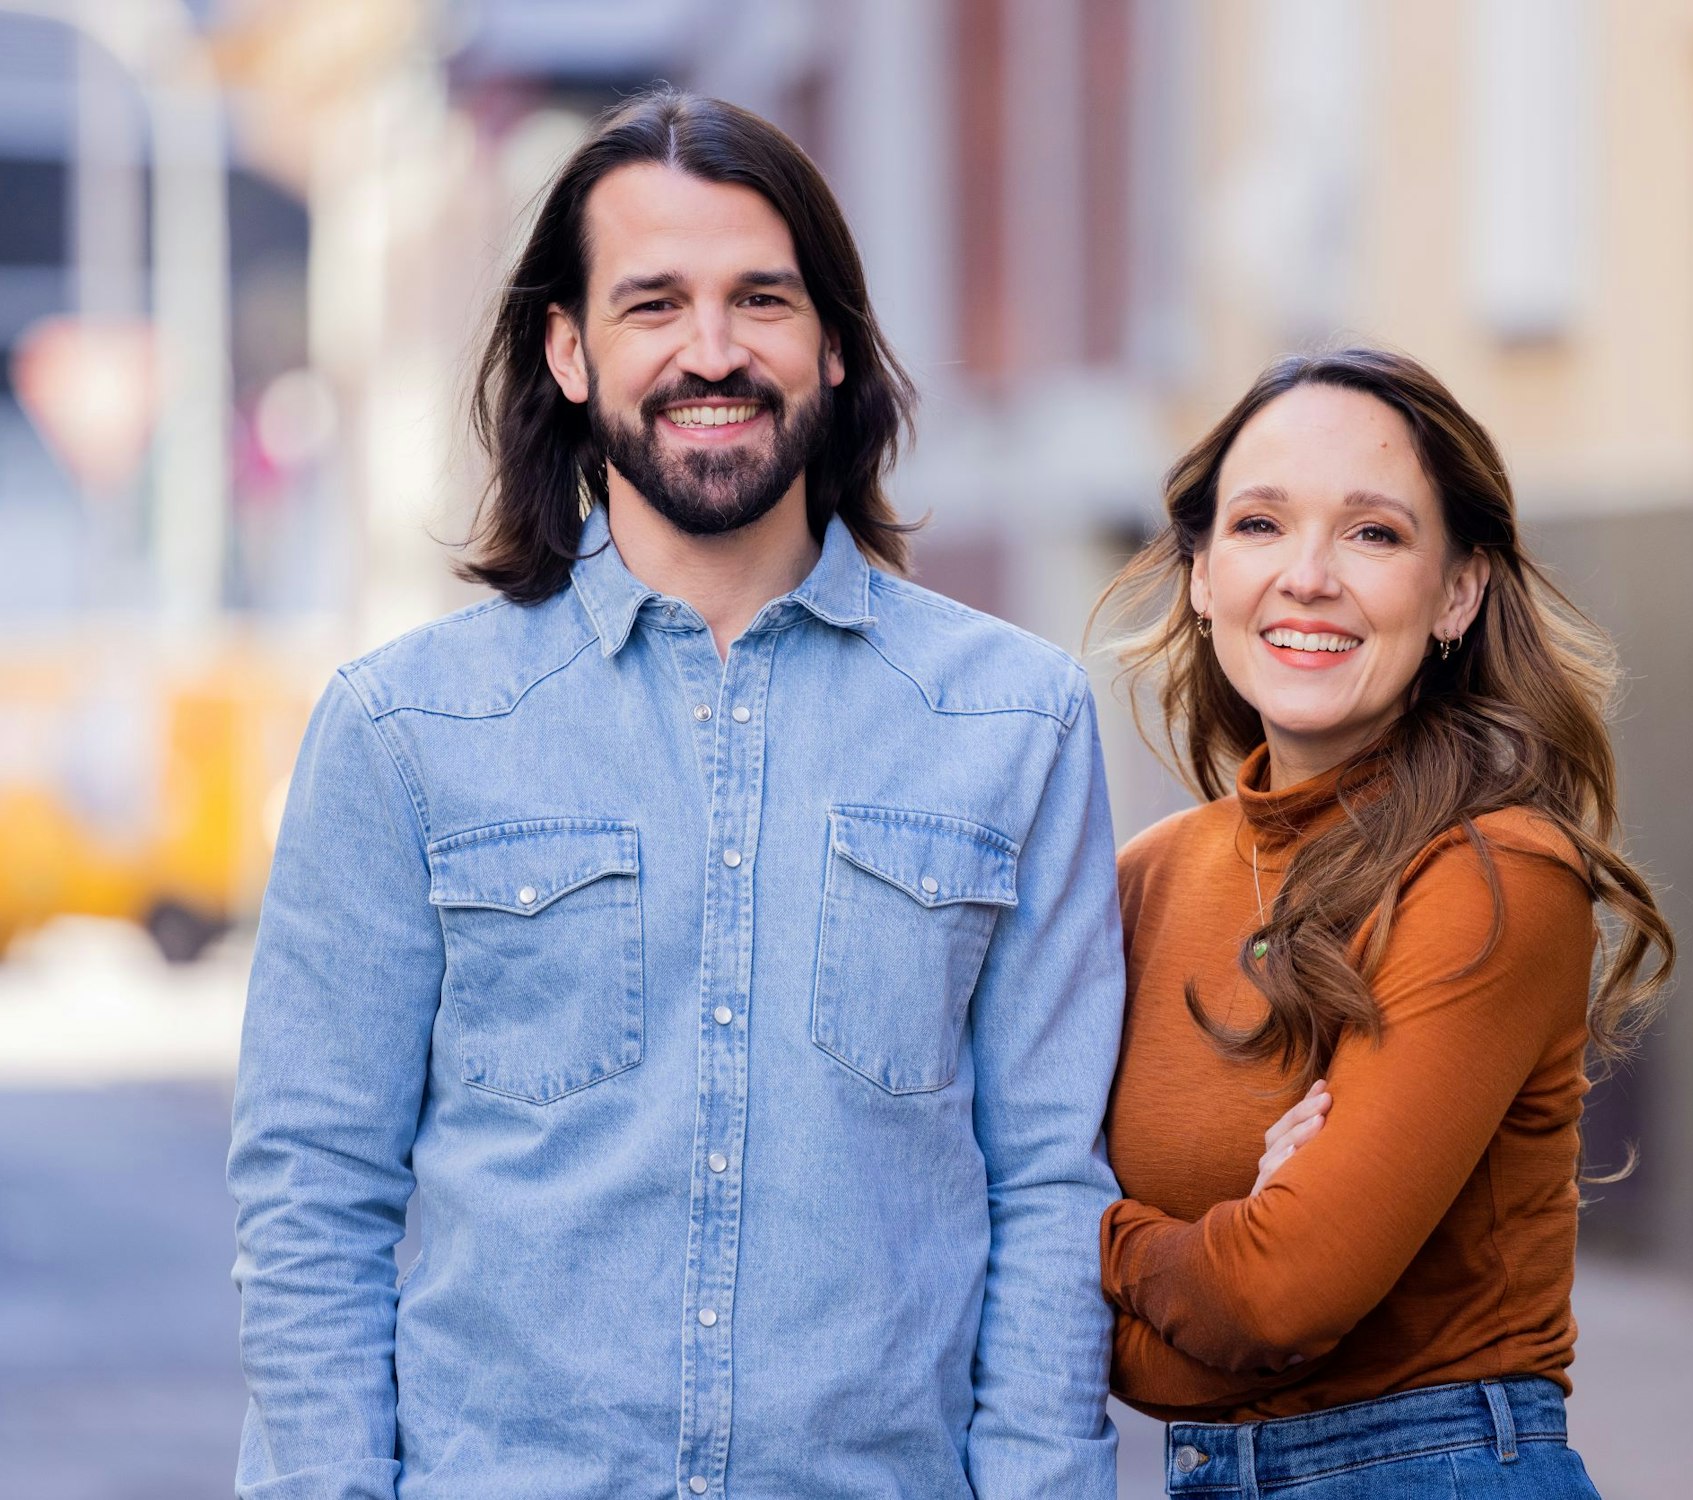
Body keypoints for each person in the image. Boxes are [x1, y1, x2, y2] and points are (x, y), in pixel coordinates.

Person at [227, 89, 1124, 1500]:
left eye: (760, 299)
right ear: (570, 352)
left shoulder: (1014, 722)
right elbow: (313, 1196)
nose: (712, 351)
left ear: (831, 343)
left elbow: (1054, 1197)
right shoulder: (404, 731)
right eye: (655, 305)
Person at [1095, 348, 1674, 1497]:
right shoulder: (1144, 880)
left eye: (1372, 534)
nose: (1307, 576)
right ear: (1201, 574)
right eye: (1259, 525)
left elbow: (1279, 1296)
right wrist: (1217, 1260)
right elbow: (1017, 1295)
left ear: (1455, 590)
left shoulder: (1492, 872)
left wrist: (1097, 1239)